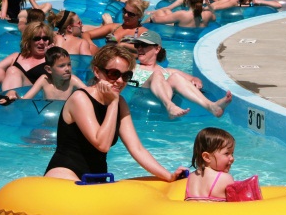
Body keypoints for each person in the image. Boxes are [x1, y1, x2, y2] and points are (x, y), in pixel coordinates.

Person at [44, 44, 188, 182]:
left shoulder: (121, 102)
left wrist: (168, 176)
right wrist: (113, 102)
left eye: (126, 76)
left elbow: (136, 148)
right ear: (97, 71)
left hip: (96, 176)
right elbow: (102, 144)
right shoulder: (80, 99)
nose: (120, 81)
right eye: (114, 74)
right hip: (65, 173)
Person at [126, 31, 232, 118]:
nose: (139, 48)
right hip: (140, 97)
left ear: (157, 49)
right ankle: (170, 106)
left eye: (144, 45)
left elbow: (193, 79)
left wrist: (196, 81)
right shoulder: (133, 67)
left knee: (176, 76)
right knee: (157, 74)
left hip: (162, 98)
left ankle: (211, 106)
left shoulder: (168, 71)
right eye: (137, 45)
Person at [82, 0, 150, 54]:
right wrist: (92, 45)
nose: (126, 15)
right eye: (124, 11)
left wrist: (125, 45)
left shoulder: (142, 32)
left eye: (130, 14)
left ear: (139, 16)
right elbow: (86, 34)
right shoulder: (113, 27)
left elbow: (148, 50)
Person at [184, 127, 235, 202]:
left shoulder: (191, 177)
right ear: (207, 157)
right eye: (226, 153)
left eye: (232, 154)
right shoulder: (225, 178)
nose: (232, 158)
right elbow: (236, 206)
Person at [21, 47, 87, 101]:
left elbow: (91, 95)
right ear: (49, 69)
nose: (67, 69)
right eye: (62, 66)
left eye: (69, 64)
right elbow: (24, 101)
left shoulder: (72, 80)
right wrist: (15, 96)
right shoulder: (44, 80)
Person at [148, 0, 216, 28]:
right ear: (202, 1)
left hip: (177, 41)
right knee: (167, 11)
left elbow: (156, 20)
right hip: (196, 41)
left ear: (188, 0)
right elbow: (214, 18)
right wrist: (209, 6)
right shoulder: (207, 15)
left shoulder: (181, 14)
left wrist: (149, 17)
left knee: (158, 13)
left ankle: (139, 27)